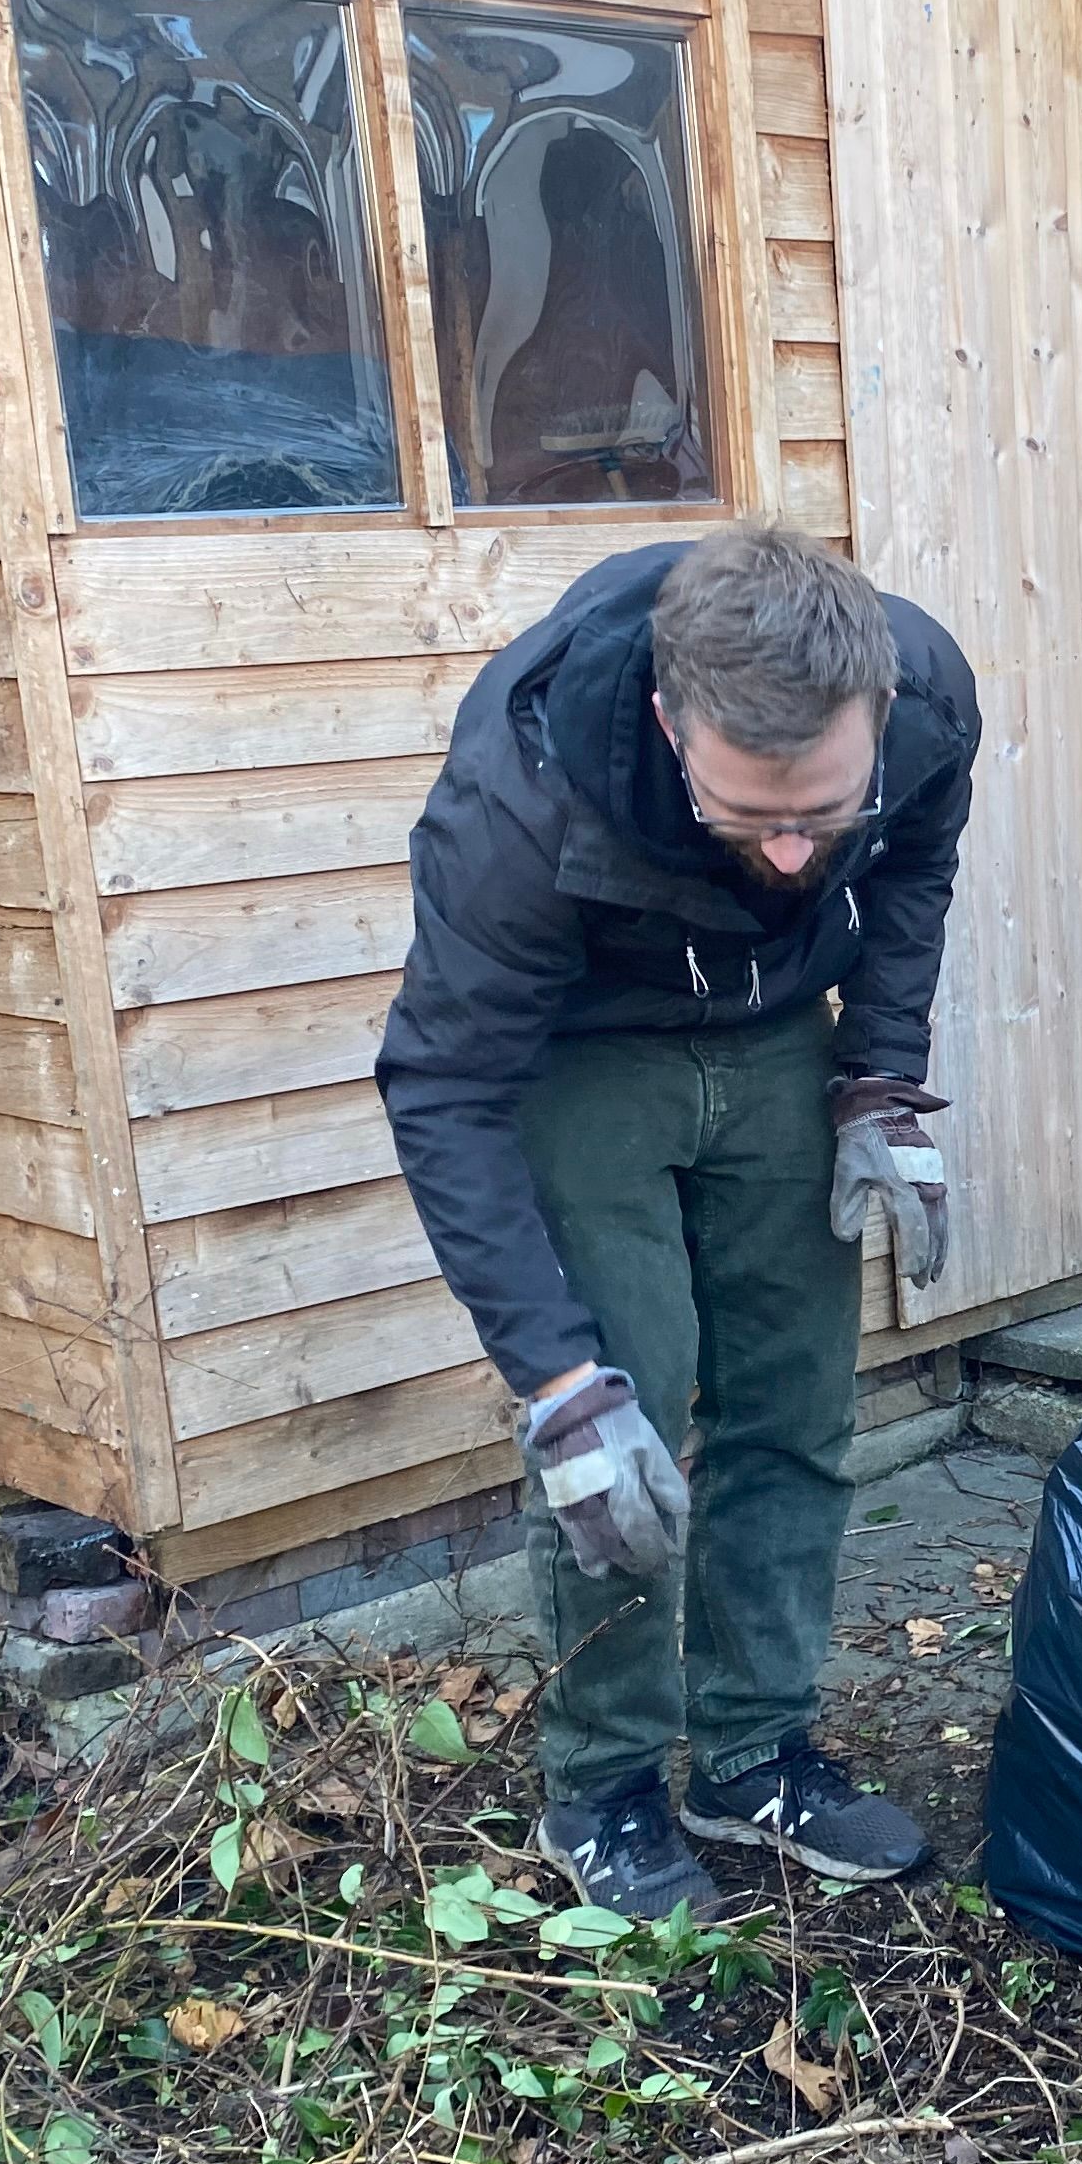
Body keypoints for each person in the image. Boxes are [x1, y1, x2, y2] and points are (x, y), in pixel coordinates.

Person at [378, 526, 978, 1921]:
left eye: (819, 810)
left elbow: (913, 870)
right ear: (669, 719)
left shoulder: (929, 698)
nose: (785, 848)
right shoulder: (519, 805)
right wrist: (557, 1381)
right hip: (587, 1053)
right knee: (620, 1436)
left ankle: (752, 1754)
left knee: (795, 1404)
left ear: (881, 713)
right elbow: (444, 1084)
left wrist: (879, 1073)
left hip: (776, 1032)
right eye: (745, 808)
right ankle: (606, 1785)